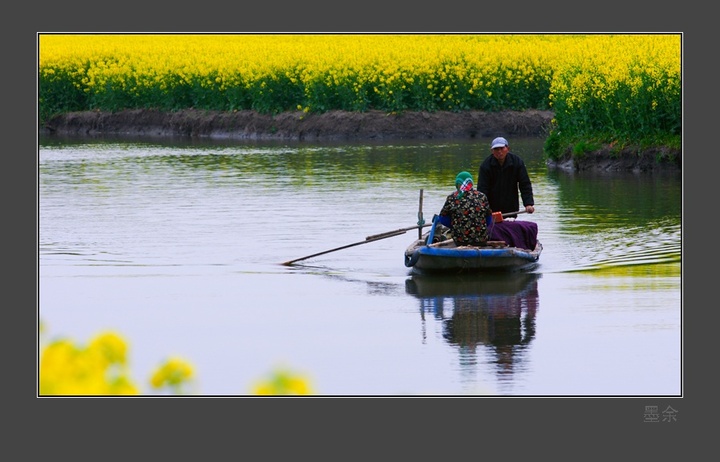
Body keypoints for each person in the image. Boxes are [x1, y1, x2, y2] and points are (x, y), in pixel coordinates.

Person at [477, 137, 535, 219]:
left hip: (511, 208)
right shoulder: (486, 166)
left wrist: (528, 203)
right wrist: (484, 208)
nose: (499, 152)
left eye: (502, 148)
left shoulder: (517, 162)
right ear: (492, 151)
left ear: (507, 149)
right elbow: (482, 189)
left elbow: (524, 184)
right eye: (496, 149)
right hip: (492, 210)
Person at [437, 171, 491, 246]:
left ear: (457, 184)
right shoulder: (482, 196)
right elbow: (489, 219)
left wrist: (456, 225)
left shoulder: (453, 197)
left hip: (460, 241)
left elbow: (442, 219)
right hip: (481, 240)